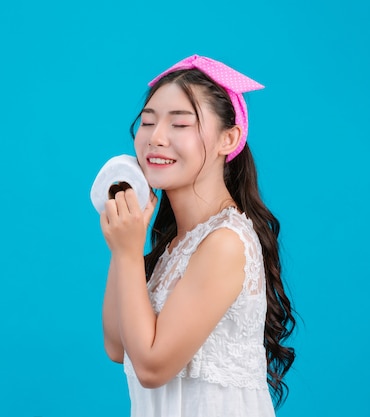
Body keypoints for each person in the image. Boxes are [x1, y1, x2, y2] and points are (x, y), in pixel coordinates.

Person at [99, 55, 295, 417]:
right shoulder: (176, 246)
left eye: (180, 124)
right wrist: (125, 244)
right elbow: (117, 346)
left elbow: (152, 368)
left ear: (229, 138)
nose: (156, 138)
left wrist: (128, 254)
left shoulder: (225, 241)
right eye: (147, 122)